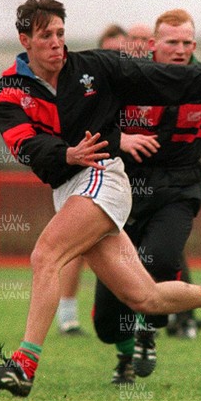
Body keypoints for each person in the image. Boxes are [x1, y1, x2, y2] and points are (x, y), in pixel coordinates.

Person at [0, 0, 201, 397]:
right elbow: (23, 146)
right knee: (143, 296)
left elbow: (159, 78)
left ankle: (23, 367)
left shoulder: (95, 66)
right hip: (70, 186)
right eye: (46, 36)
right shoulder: (7, 91)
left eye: (61, 33)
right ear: (25, 39)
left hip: (102, 179)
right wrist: (65, 153)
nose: (57, 43)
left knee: (45, 256)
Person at [93, 9, 201, 383]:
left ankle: (149, 330)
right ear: (153, 45)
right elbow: (91, 121)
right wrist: (121, 140)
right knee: (108, 317)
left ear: (194, 45)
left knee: (162, 260)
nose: (180, 50)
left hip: (179, 188)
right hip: (121, 188)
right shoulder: (127, 78)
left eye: (186, 43)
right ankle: (124, 352)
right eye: (171, 42)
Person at [55, 22, 132, 336]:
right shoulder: (87, 84)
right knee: (71, 248)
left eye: (121, 52)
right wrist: (121, 140)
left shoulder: (133, 79)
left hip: (127, 177)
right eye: (110, 51)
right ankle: (68, 316)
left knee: (141, 280)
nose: (116, 57)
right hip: (91, 173)